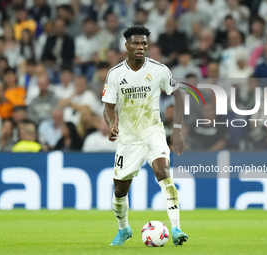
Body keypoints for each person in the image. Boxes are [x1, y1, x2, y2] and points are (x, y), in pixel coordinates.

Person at [102, 26, 188, 246]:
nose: (140, 47)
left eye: (144, 44)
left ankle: (176, 228)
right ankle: (124, 230)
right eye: (136, 43)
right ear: (127, 46)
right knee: (120, 190)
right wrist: (112, 124)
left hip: (153, 132)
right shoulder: (115, 74)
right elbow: (108, 107)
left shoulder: (159, 70)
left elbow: (178, 97)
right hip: (128, 138)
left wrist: (176, 130)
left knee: (163, 172)